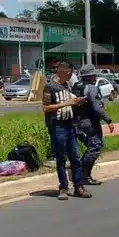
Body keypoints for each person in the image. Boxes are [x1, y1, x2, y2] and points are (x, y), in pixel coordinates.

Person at [42, 61, 91, 200]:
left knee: (75, 157)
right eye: (69, 74)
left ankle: (78, 186)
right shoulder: (49, 86)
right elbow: (46, 107)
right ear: (63, 72)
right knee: (61, 158)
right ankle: (63, 187)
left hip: (70, 125)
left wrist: (76, 101)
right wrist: (66, 103)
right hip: (58, 126)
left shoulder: (65, 85)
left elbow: (69, 99)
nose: (70, 77)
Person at [72, 64, 115, 185]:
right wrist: (108, 120)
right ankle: (84, 176)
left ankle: (81, 171)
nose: (95, 77)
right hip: (89, 123)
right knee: (96, 147)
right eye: (94, 75)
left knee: (92, 147)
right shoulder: (91, 88)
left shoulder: (75, 87)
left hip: (76, 123)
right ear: (90, 76)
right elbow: (97, 108)